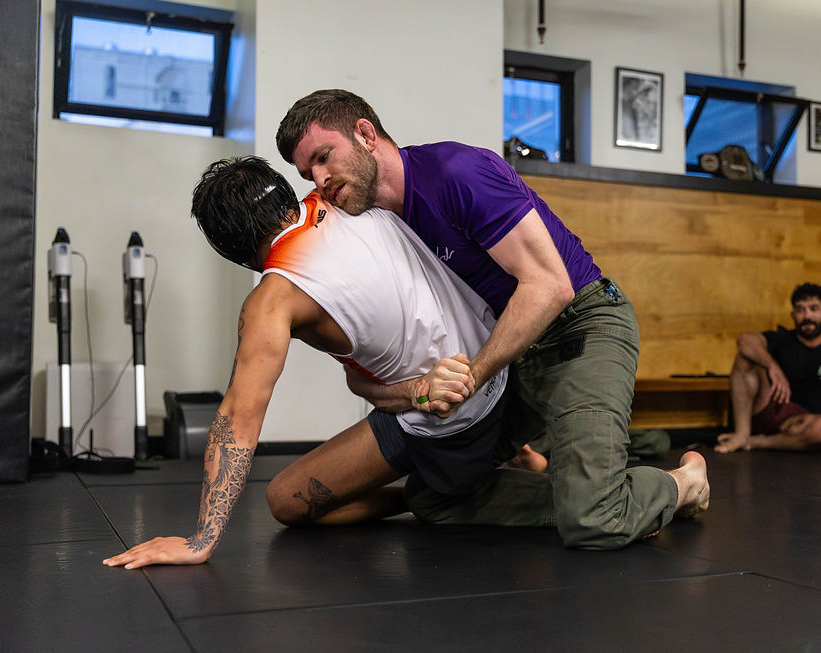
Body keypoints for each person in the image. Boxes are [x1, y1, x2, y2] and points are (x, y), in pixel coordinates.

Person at [103, 156, 710, 568]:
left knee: (300, 501)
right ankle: (461, 481)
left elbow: (239, 415)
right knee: (299, 493)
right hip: (485, 381)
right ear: (289, 193)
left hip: (462, 413)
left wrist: (202, 539)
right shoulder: (345, 200)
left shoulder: (272, 300)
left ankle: (665, 485)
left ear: (228, 247)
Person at [276, 89, 708, 550]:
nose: (319, 178)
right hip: (512, 351)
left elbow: (550, 287)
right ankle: (586, 498)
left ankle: (682, 483)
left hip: (579, 328)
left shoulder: (456, 173)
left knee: (595, 521)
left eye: (323, 158)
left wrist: (472, 376)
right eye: (307, 173)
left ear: (365, 134)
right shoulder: (377, 222)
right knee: (433, 498)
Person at [715, 283, 821, 453]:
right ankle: (741, 434)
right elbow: (744, 340)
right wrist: (773, 367)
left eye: (814, 309)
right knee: (745, 357)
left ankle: (757, 442)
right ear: (793, 315)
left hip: (804, 422)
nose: (807, 315)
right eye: (800, 310)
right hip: (769, 408)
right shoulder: (782, 339)